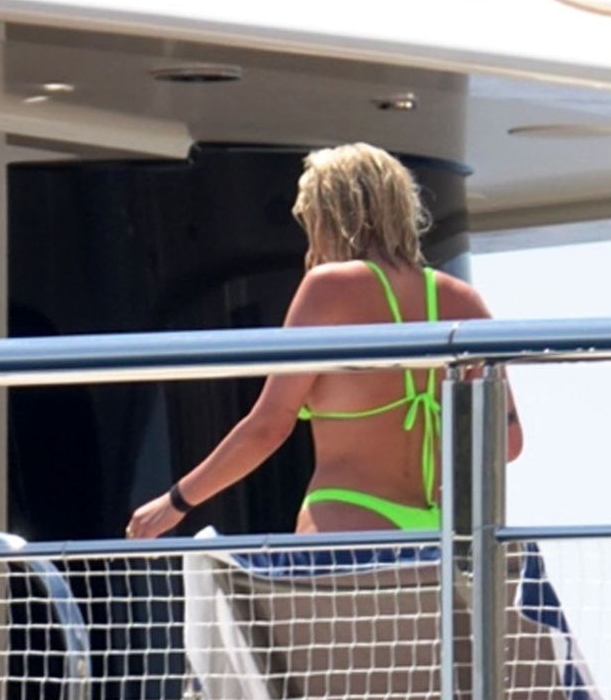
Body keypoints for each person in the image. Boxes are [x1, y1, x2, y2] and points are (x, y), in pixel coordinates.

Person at [126, 143, 521, 538]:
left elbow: (268, 427)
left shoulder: (329, 288)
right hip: (440, 527)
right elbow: (508, 442)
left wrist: (176, 501)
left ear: (328, 215)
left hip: (349, 514)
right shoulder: (461, 299)